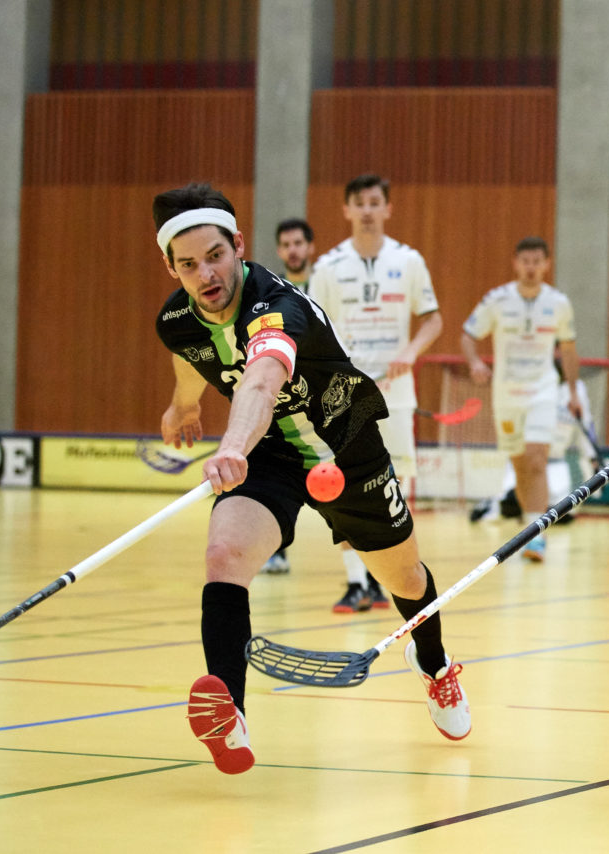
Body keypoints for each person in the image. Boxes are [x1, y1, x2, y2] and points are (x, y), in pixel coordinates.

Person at [152, 183, 469, 774]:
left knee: (402, 574)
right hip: (271, 454)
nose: (206, 274)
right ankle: (232, 713)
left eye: (216, 256)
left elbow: (261, 381)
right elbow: (189, 351)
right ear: (170, 266)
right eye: (189, 265)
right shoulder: (176, 318)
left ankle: (435, 665)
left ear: (239, 247)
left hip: (346, 444)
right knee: (224, 553)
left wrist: (229, 444)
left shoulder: (276, 307)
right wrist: (183, 405)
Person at [309, 175, 444, 613]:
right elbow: (311, 329)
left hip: (395, 393)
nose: (367, 210)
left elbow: (432, 320)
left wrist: (410, 351)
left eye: (374, 202)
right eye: (359, 203)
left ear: (388, 209)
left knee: (394, 484)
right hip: (347, 394)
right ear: (346, 211)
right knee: (342, 484)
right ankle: (356, 584)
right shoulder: (328, 267)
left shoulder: (409, 261)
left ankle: (387, 577)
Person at [461, 237, 581, 562]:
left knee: (537, 458)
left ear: (546, 264)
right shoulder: (496, 300)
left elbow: (568, 349)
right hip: (506, 395)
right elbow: (468, 334)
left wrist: (572, 392)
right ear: (516, 263)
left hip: (542, 391)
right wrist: (474, 362)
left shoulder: (558, 303)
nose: (530, 267)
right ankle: (529, 525)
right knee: (519, 464)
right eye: (525, 261)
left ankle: (536, 536)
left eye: (537, 261)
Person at [258, 217, 318, 575]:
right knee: (280, 470)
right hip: (286, 394)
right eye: (286, 245)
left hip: (322, 391)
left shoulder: (325, 284)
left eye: (299, 243)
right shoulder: (272, 291)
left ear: (310, 247)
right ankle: (277, 549)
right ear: (280, 251)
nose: (293, 250)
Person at [469, 361, 596, 524]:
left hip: (556, 463)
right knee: (512, 504)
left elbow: (585, 426)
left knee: (560, 515)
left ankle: (528, 512)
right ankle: (494, 505)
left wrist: (593, 458)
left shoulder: (577, 391)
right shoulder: (529, 385)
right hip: (526, 461)